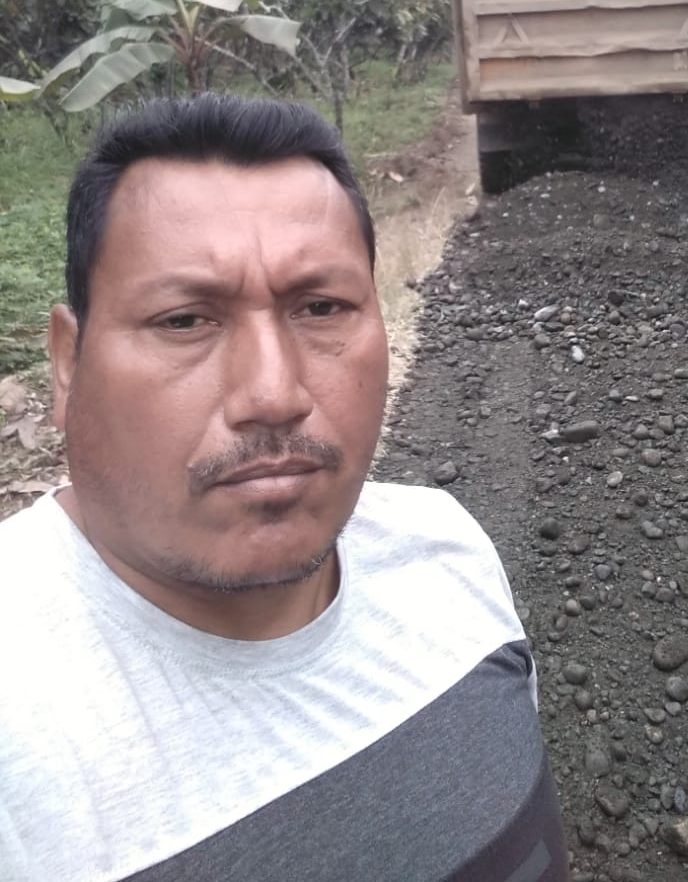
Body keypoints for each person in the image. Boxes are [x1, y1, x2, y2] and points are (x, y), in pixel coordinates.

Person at [0, 93, 569, 882]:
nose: (272, 393)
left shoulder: (448, 556)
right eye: (184, 320)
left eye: (321, 307)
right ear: (68, 362)